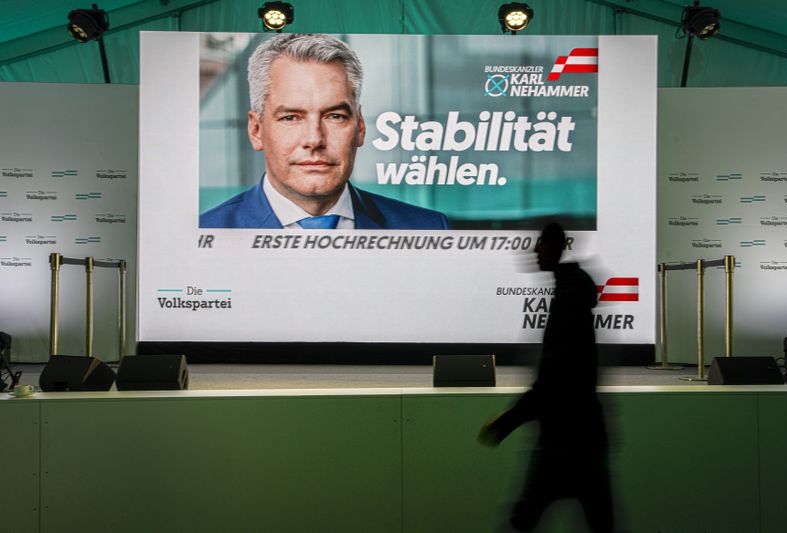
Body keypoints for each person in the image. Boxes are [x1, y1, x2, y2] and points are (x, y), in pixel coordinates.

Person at [200, 34, 450, 230]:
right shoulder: (205, 232)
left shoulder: (427, 228)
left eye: (334, 116)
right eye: (291, 117)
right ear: (256, 130)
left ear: (359, 127)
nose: (314, 139)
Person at [479, 222, 613, 533]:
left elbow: (556, 377)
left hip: (564, 440)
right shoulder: (572, 292)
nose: (536, 250)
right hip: (582, 438)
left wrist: (506, 422)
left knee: (522, 521)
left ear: (556, 247)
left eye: (541, 243)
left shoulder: (569, 300)